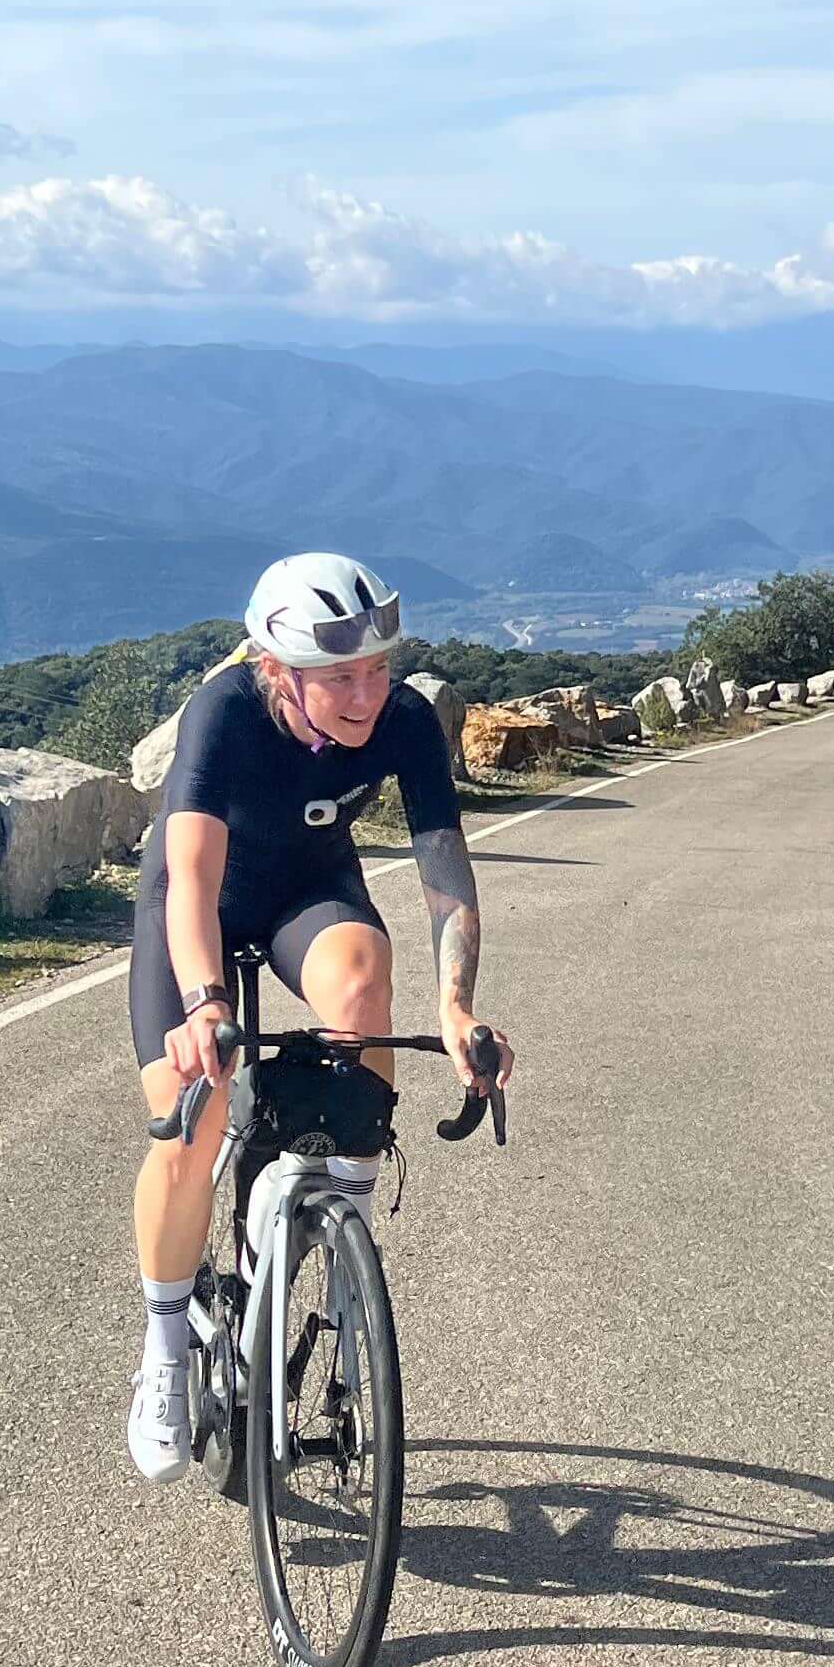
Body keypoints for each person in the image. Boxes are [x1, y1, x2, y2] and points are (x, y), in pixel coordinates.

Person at [125, 551, 513, 1481]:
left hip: (309, 890)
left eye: (376, 669)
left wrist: (456, 1007)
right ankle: (167, 1346)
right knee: (192, 1112)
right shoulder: (224, 712)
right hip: (199, 902)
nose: (365, 693)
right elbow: (192, 881)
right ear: (278, 671)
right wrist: (204, 1005)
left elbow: (444, 875)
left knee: (362, 981)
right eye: (339, 676)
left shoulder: (407, 720)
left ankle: (340, 1201)